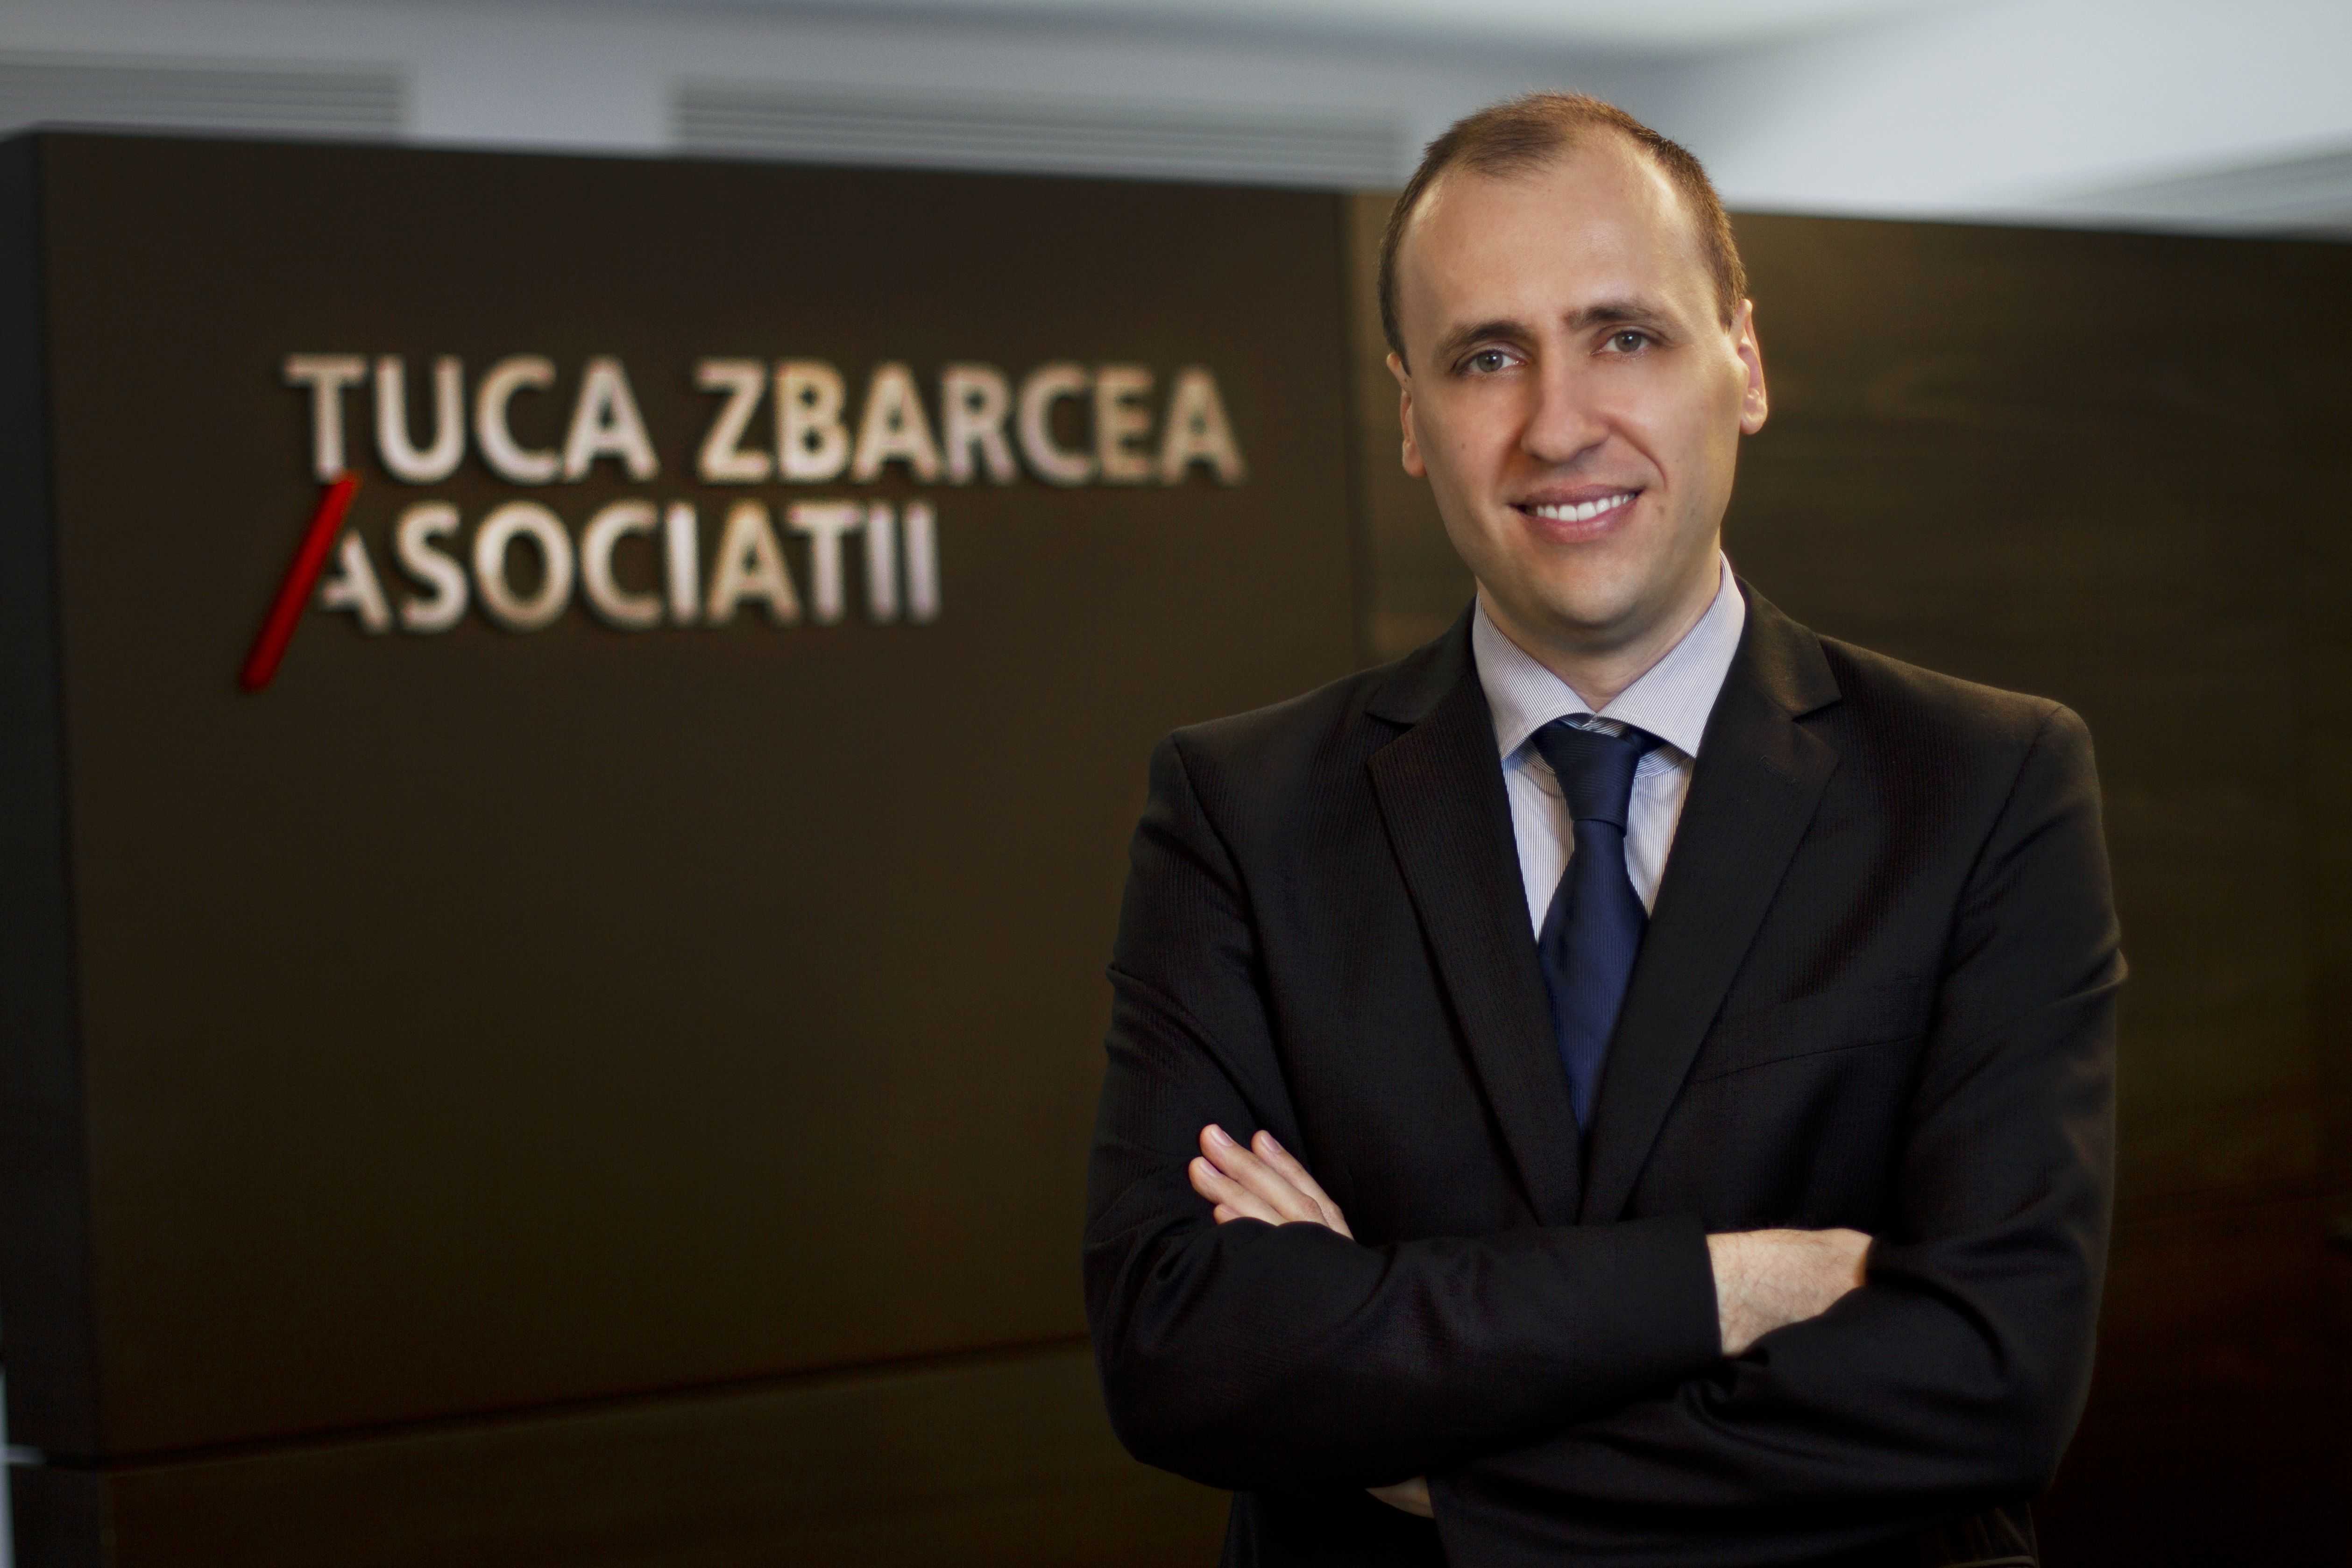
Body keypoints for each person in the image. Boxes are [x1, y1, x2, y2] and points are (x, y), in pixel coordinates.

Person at [1082, 92, 2120, 1567]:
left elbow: (1986, 1379)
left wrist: (1442, 1468)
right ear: (1409, 416)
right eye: (1485, 356)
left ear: (1743, 363)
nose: (1558, 425)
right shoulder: (1243, 811)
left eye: (1623, 335)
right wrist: (1724, 1287)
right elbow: (1184, 1347)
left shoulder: (1982, 785)